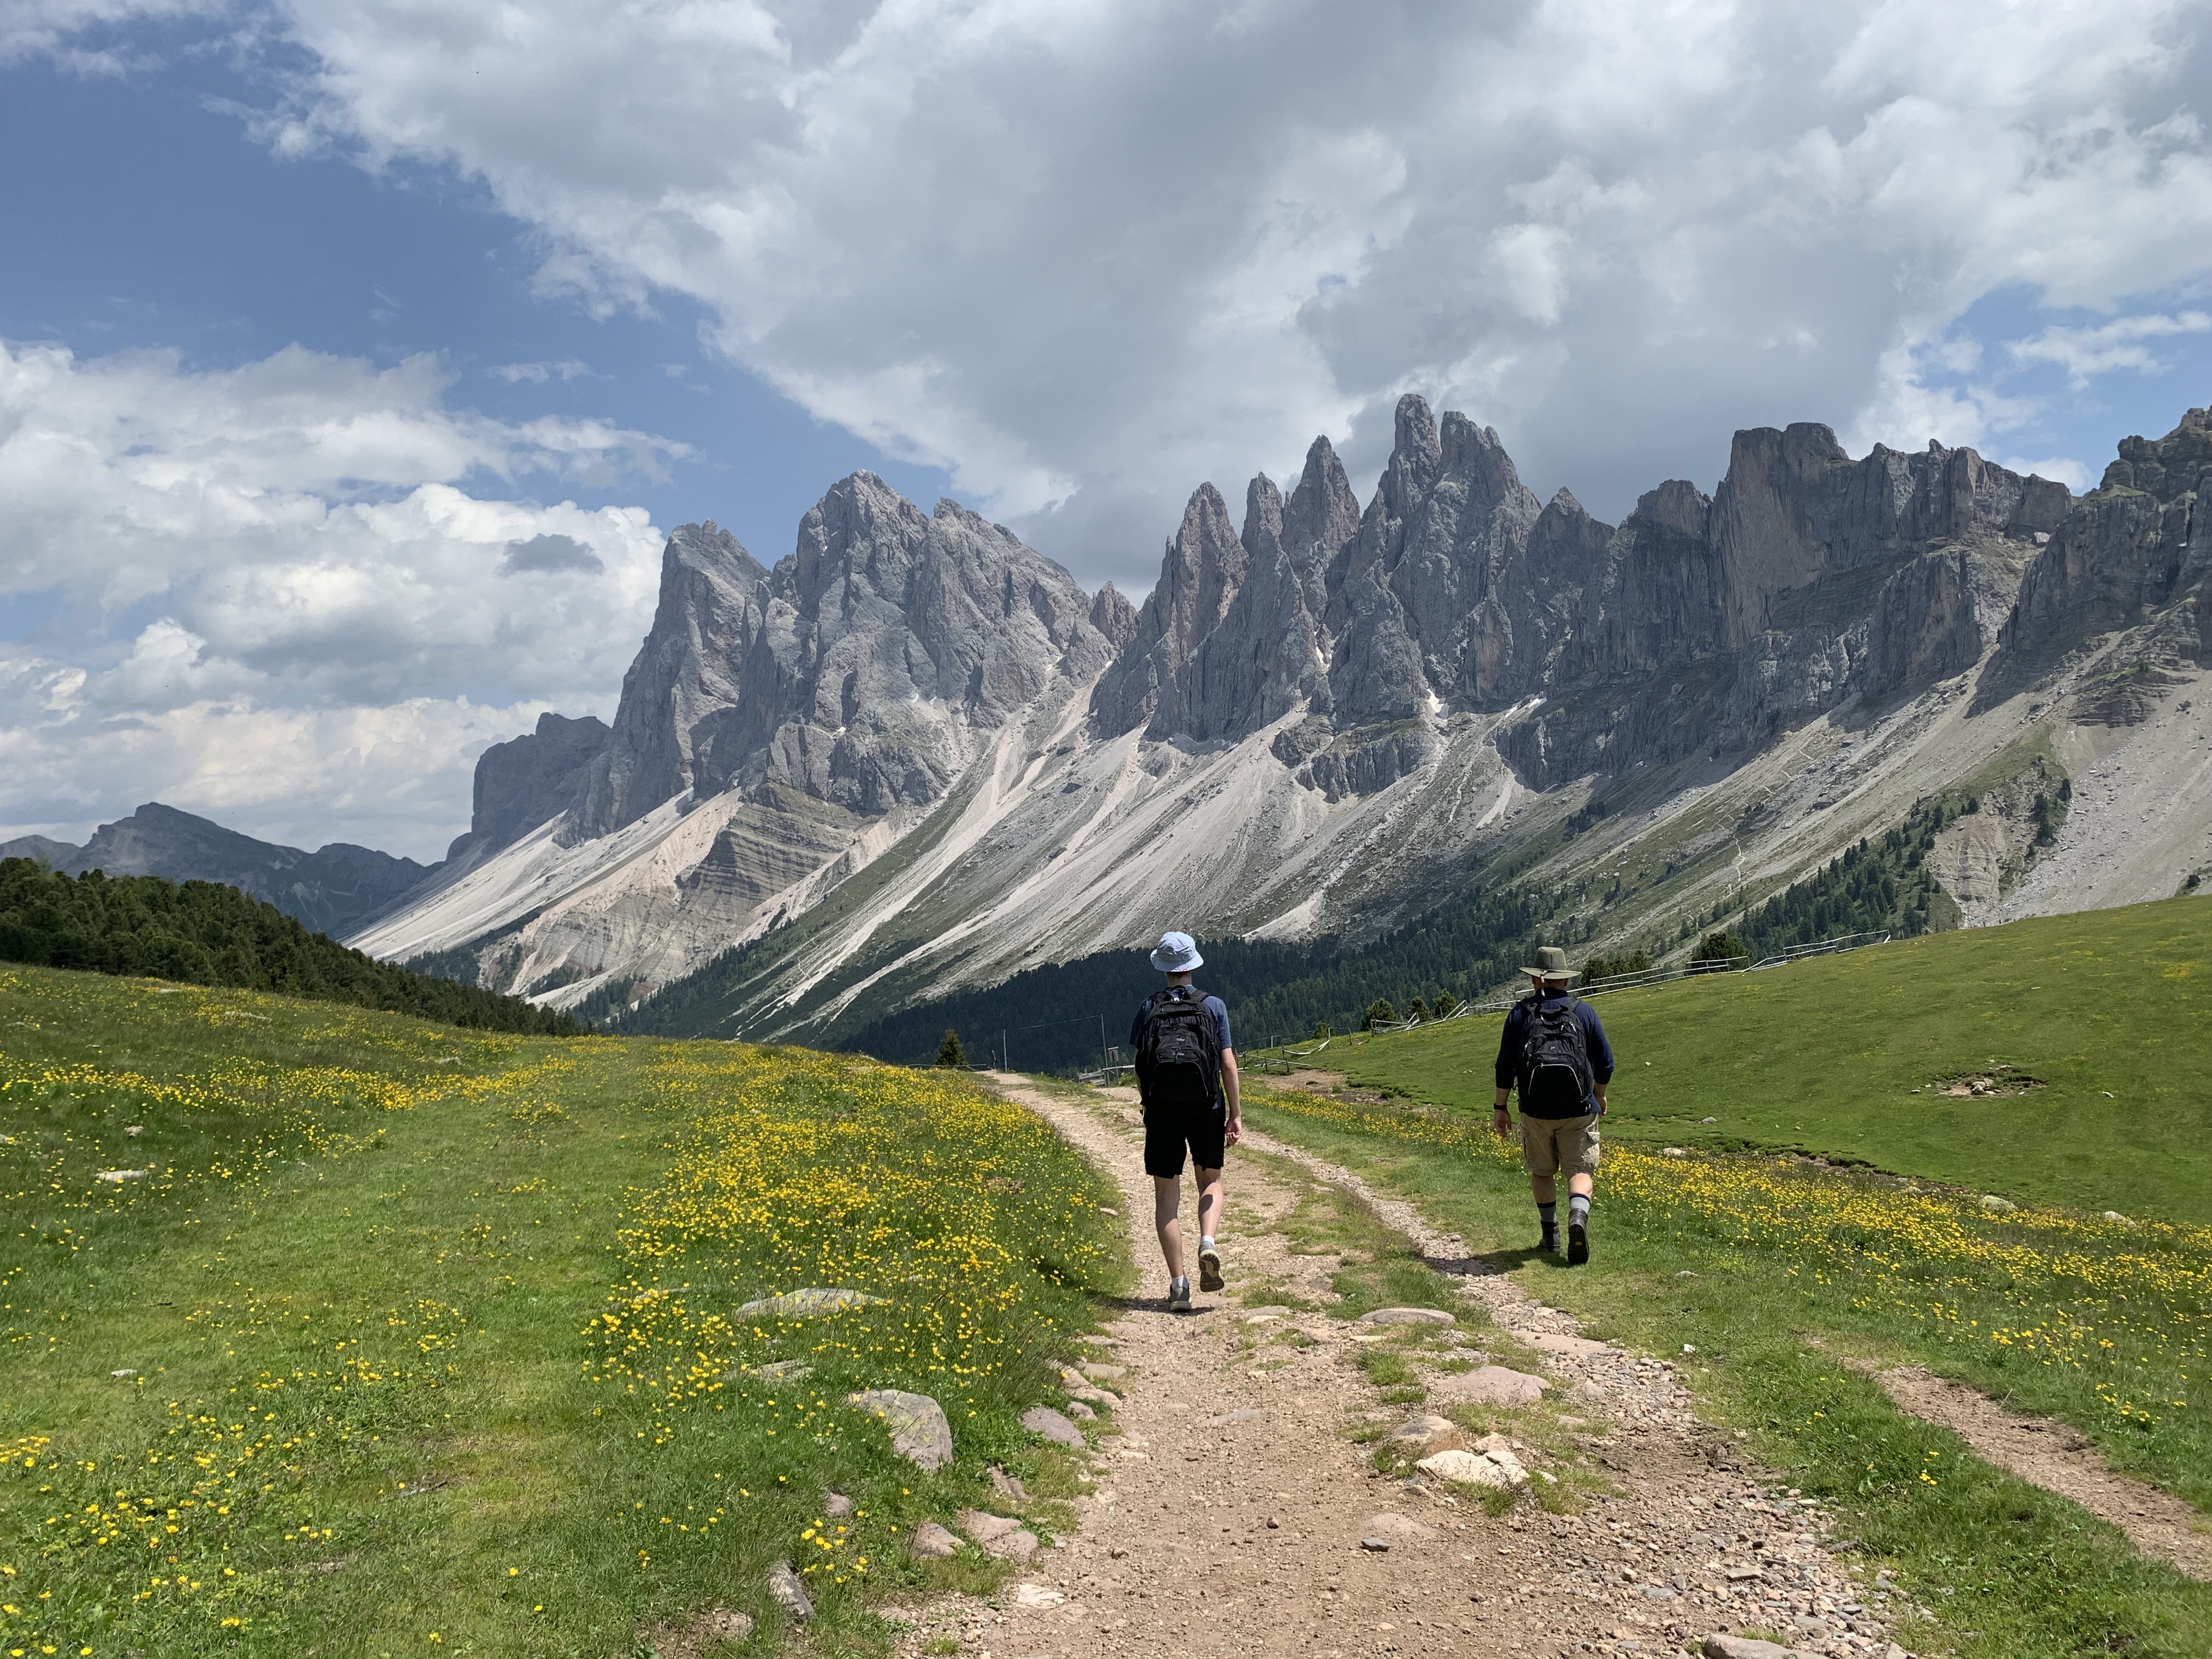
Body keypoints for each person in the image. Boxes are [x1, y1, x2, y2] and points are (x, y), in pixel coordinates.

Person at [1130, 930, 1240, 1311]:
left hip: (1162, 1112)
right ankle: (1207, 1242)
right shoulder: (1214, 1006)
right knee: (1210, 1181)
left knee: (1166, 1196)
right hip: (1206, 1107)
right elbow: (1227, 1063)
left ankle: (1179, 1286)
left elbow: (1141, 1065)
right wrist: (1236, 1115)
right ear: (1192, 965)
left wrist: (1147, 1104)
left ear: (1163, 970)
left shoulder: (1148, 1008)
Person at [1492, 945, 1615, 1264]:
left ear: (1536, 979)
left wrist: (1500, 1108)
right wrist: (1599, 1095)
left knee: (1542, 1171)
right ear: (1565, 980)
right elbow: (1605, 1064)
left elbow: (1504, 1066)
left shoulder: (1520, 1014)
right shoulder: (1584, 1012)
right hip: (1579, 1109)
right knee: (1580, 1169)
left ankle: (1551, 1237)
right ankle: (1578, 1216)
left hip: (1535, 1110)